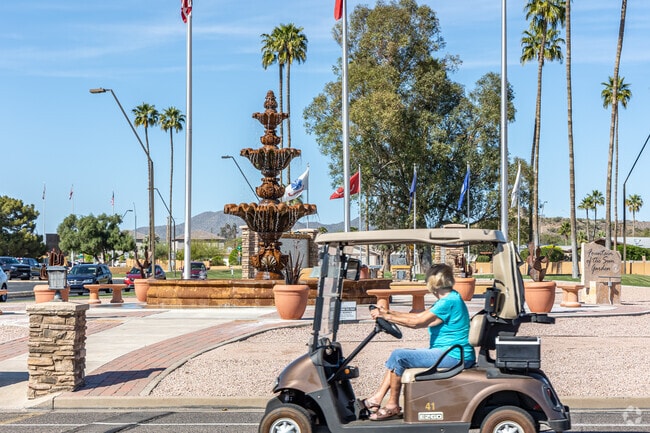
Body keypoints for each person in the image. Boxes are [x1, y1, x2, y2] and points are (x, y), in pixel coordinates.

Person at [364, 263, 476, 421]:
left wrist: (386, 316)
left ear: (431, 283)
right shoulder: (450, 297)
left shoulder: (448, 301)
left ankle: (392, 405)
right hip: (451, 353)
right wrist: (387, 313)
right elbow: (419, 318)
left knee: (399, 355)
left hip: (453, 355)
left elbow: (417, 322)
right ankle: (376, 399)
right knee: (397, 358)